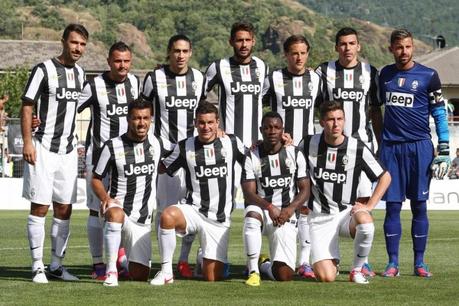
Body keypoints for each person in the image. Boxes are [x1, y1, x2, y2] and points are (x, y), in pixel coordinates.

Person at [379, 29, 451, 278]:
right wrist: (380, 142)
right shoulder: (384, 75)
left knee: (420, 205)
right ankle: (392, 263)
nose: (404, 52)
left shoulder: (429, 76)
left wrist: (444, 147)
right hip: (391, 149)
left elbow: (440, 113)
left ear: (413, 47)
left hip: (419, 147)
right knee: (392, 207)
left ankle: (420, 262)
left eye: (408, 47)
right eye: (399, 47)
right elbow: (375, 109)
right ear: (391, 48)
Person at [21, 24, 89, 283]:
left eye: (82, 44)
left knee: (65, 208)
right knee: (40, 206)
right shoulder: (44, 70)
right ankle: (37, 266)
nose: (77, 48)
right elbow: (28, 105)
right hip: (43, 147)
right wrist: (27, 140)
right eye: (74, 43)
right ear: (63, 42)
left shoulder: (82, 74)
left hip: (69, 151)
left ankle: (56, 266)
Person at [150, 102, 245, 285]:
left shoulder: (232, 142)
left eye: (210, 122)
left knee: (212, 278)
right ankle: (166, 271)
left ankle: (205, 257)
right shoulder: (185, 146)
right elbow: (162, 167)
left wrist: (283, 141)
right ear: (195, 123)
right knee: (168, 216)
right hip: (194, 211)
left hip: (218, 220)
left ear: (218, 122)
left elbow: (254, 158)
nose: (206, 127)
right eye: (201, 123)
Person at [298, 101, 391, 284]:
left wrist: (369, 205)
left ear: (344, 120)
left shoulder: (357, 147)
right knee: (326, 277)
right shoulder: (308, 143)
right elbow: (292, 163)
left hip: (345, 215)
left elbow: (385, 176)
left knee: (365, 222)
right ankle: (333, 261)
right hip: (319, 217)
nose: (336, 124)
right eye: (331, 119)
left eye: (340, 119)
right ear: (322, 122)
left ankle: (357, 270)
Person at [315, 27, 382, 277]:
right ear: (336, 47)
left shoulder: (370, 73)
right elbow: (316, 105)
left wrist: (379, 141)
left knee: (361, 206)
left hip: (361, 148)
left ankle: (361, 262)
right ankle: (324, 254)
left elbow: (375, 110)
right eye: (342, 44)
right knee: (324, 201)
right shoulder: (324, 71)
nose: (347, 48)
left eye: (351, 43)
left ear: (359, 46)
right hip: (331, 148)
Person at [142, 34, 206, 278]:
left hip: (191, 154)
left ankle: (183, 260)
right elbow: (141, 109)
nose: (180, 55)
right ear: (168, 52)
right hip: (164, 154)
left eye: (185, 51)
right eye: (176, 51)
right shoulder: (154, 78)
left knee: (193, 207)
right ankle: (164, 263)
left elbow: (203, 111)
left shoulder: (199, 78)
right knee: (164, 211)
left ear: (190, 53)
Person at [77, 41, 140, 280]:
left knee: (121, 207)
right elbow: (70, 108)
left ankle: (119, 256)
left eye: (126, 61)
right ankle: (98, 265)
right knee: (96, 210)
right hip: (98, 157)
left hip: (126, 158)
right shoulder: (94, 85)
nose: (122, 65)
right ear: (109, 62)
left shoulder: (135, 83)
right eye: (117, 61)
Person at [92, 98, 170, 287]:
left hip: (142, 220)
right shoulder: (112, 146)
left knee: (141, 276)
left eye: (145, 118)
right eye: (136, 118)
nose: (141, 123)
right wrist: (106, 198)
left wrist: (217, 133)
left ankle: (123, 261)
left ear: (151, 119)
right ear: (128, 119)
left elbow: (185, 147)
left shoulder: (158, 143)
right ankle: (111, 272)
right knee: (116, 212)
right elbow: (95, 178)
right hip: (118, 211)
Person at [263, 34, 321, 279]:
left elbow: (330, 108)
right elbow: (258, 106)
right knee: (275, 199)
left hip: (308, 150)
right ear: (286, 55)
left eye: (303, 53)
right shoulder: (274, 79)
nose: (299, 57)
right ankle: (261, 257)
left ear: (308, 54)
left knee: (306, 206)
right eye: (294, 53)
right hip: (280, 150)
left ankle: (305, 261)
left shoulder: (316, 79)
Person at [242, 112, 309, 286]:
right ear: (261, 130)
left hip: (286, 213)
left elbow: (305, 189)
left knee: (285, 275)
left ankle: (263, 265)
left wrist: (290, 209)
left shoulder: (295, 153)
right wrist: (269, 206)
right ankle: (253, 271)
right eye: (267, 127)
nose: (272, 131)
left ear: (282, 131)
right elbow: (249, 193)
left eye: (276, 127)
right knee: (251, 216)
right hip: (262, 208)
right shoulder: (252, 155)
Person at [205, 21, 268, 148]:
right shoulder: (219, 66)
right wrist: (213, 127)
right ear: (231, 42)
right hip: (227, 144)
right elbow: (197, 96)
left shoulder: (262, 66)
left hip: (257, 144)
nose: (244, 45)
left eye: (247, 40)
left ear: (253, 41)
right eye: (239, 40)